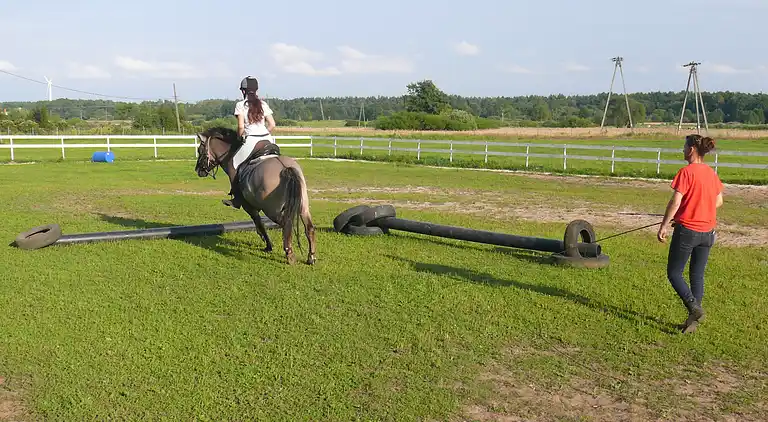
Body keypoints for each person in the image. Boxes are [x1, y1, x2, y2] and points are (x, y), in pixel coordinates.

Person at [657, 134, 724, 334]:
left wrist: (664, 225)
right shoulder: (711, 173)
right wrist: (699, 209)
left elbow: (675, 202)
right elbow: (719, 201)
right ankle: (692, 323)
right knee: (697, 275)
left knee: (674, 273)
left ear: (692, 149)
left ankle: (694, 308)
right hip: (708, 232)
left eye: (684, 147)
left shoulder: (686, 172)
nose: (683, 150)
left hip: (688, 231)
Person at [222, 76, 279, 209]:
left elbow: (241, 127)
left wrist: (240, 137)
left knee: (232, 165)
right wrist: (264, 133)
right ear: (256, 90)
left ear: (243, 91)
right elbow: (272, 124)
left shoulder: (240, 105)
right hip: (268, 139)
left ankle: (237, 198)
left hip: (251, 140)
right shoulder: (263, 104)